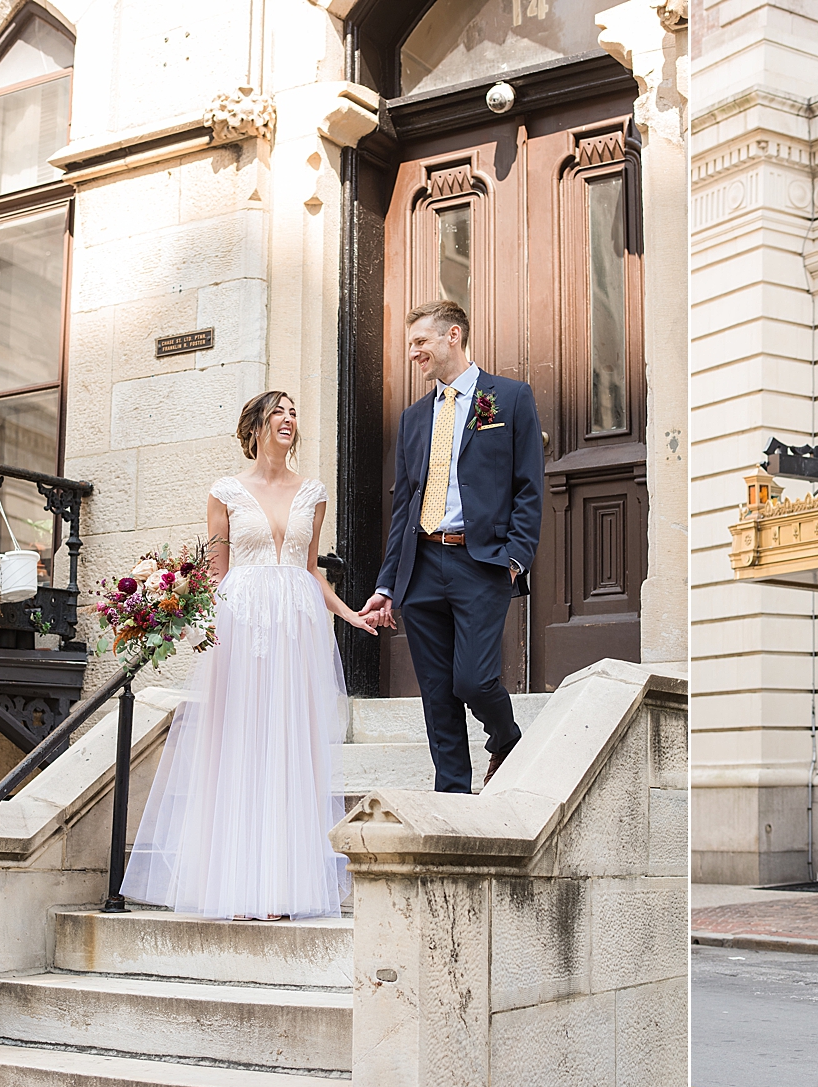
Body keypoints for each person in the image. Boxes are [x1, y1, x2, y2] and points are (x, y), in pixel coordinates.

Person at [122, 391, 377, 920]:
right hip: (244, 626)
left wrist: (349, 614)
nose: (288, 419)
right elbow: (216, 575)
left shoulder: (313, 493)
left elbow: (310, 570)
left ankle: (283, 888)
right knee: (242, 745)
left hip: (297, 627)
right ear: (256, 427)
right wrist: (197, 621)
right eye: (277, 412)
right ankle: (238, 887)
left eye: (293, 413)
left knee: (290, 748)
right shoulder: (226, 493)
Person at [360, 300, 544, 792]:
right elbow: (405, 506)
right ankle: (452, 794)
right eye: (412, 344)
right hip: (420, 565)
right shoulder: (414, 418)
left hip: (481, 562)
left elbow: (529, 486)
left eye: (421, 342)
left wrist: (515, 557)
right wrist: (387, 582)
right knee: (438, 692)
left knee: (474, 681)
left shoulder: (508, 398)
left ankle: (505, 737)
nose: (414, 352)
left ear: (453, 336)